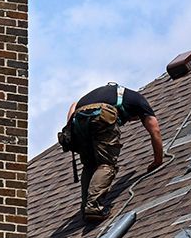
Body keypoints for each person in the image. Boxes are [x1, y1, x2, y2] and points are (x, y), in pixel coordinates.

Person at [67, 83, 163, 222]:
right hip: (101, 113)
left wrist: (70, 129)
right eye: (133, 119)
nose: (130, 121)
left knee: (90, 165)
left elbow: (74, 105)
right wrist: (158, 160)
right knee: (106, 164)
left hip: (79, 118)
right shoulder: (140, 101)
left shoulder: (111, 94)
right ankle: (93, 207)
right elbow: (155, 131)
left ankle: (85, 208)